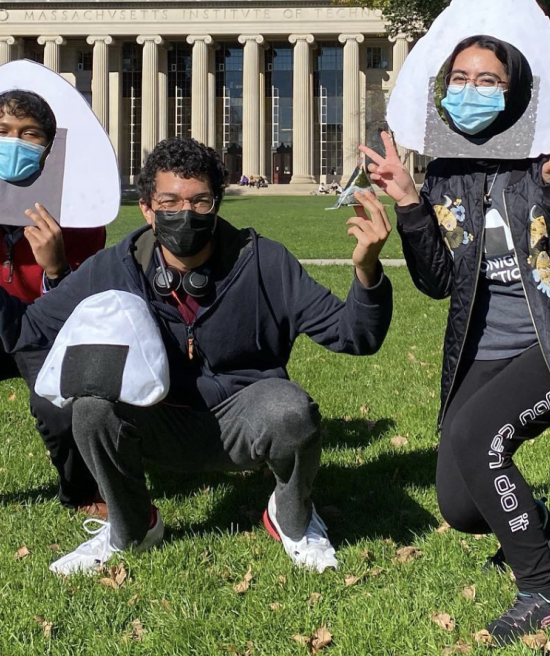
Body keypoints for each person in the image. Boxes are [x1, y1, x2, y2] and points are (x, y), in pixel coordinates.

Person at [0, 137, 393, 576]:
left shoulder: (265, 262)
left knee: (292, 410)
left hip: (244, 419)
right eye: (169, 202)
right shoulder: (116, 267)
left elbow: (355, 336)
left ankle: (291, 519)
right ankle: (131, 528)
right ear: (148, 209)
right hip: (156, 421)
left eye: (199, 202)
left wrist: (367, 270)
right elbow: (27, 329)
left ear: (217, 204)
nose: (184, 215)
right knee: (91, 407)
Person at [361, 34, 550, 645]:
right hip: (484, 348)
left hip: (545, 345)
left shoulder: (542, 162)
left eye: (488, 81)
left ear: (515, 90)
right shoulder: (447, 172)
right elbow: (441, 283)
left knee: (477, 439)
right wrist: (413, 206)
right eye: (461, 79)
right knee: (461, 505)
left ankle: (542, 587)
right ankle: (536, 530)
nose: (472, 91)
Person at [0, 89, 106, 513]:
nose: (14, 142)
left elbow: (83, 306)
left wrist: (56, 267)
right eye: (3, 131)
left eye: (29, 135)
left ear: (49, 148)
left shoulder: (82, 216)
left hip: (43, 328)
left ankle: (80, 491)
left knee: (60, 405)